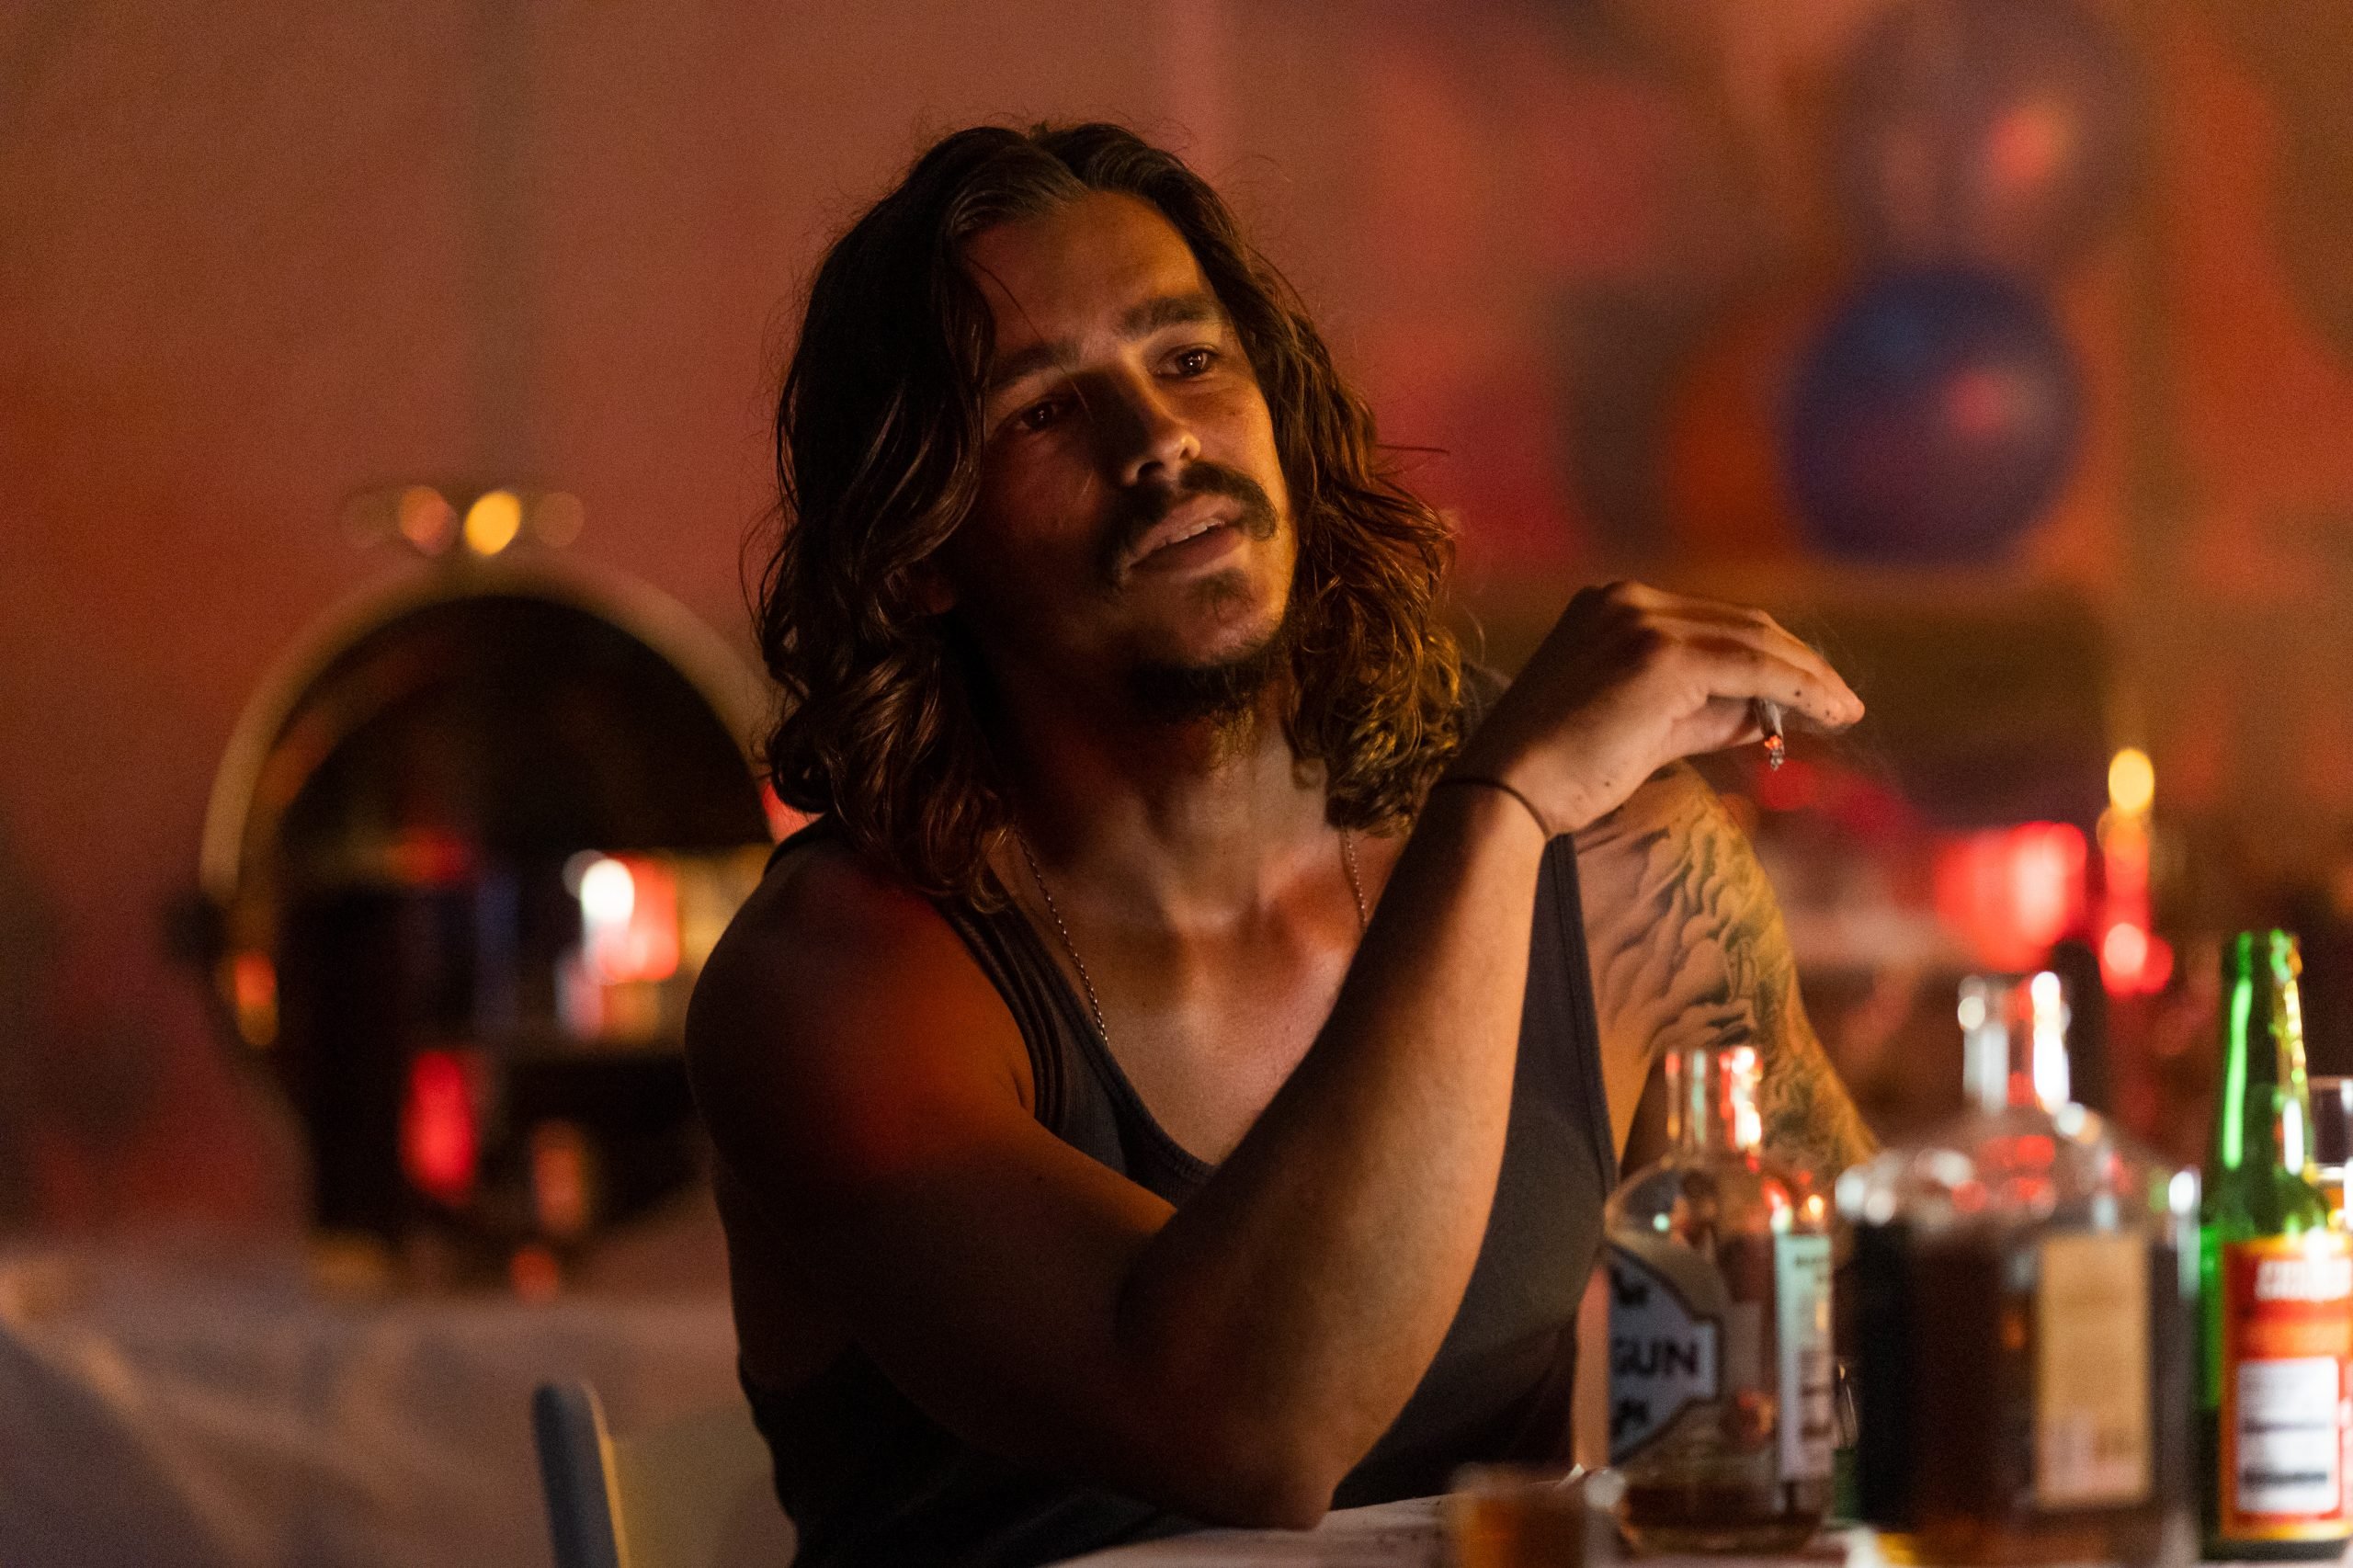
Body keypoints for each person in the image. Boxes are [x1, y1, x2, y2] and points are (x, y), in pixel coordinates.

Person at [686, 122, 1874, 1568]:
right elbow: (1251, 1431)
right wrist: (1491, 818)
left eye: (1188, 360)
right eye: (1044, 412)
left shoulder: (1627, 876)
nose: (1159, 442)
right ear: (922, 544)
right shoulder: (836, 984)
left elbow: (1868, 1354)